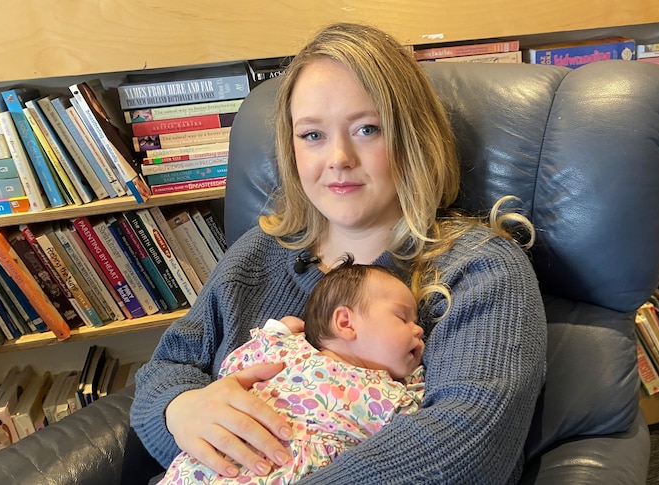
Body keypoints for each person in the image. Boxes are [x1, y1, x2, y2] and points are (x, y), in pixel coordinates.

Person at [131, 22, 547, 484]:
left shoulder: (480, 270)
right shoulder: (257, 254)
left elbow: (469, 443)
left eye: (367, 129)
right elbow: (169, 364)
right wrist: (179, 411)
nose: (338, 158)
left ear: (413, 139)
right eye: (312, 135)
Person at [157, 256, 426, 484]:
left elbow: (420, 432)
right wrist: (277, 332)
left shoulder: (389, 394)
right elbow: (233, 370)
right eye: (402, 318)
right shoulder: (286, 350)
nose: (419, 330)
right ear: (346, 323)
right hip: (206, 465)